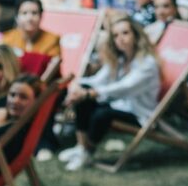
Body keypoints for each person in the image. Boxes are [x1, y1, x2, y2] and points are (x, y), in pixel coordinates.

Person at [58, 17, 159, 171]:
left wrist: (89, 93)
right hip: (118, 104)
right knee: (84, 97)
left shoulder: (147, 63)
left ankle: (87, 152)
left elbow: (124, 88)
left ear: (136, 35)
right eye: (116, 35)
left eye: (125, 33)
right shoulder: (120, 59)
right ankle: (81, 148)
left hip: (139, 113)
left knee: (101, 114)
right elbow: (98, 80)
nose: (120, 39)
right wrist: (77, 85)